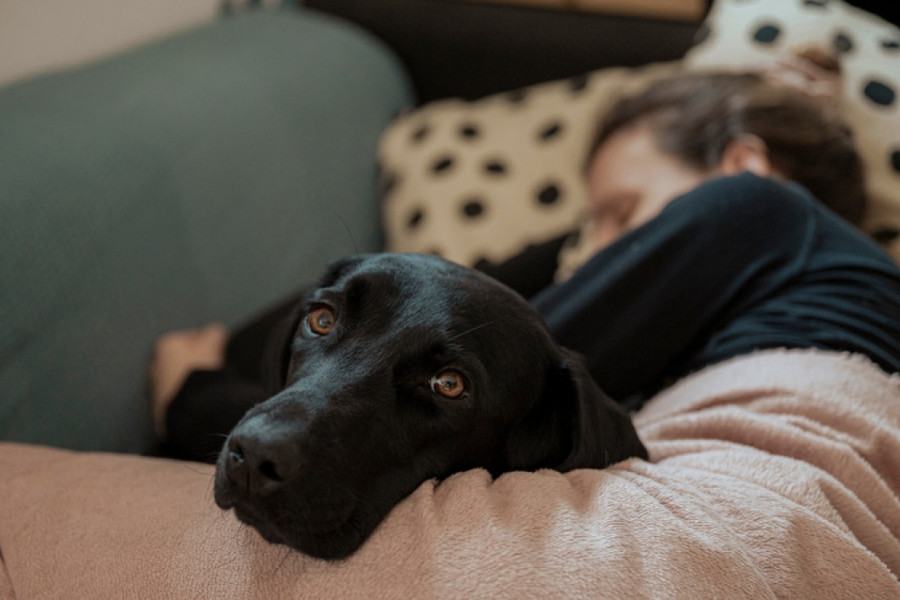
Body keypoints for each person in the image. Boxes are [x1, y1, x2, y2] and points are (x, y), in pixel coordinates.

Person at [151, 56, 900, 460]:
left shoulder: (750, 206)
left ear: (744, 165)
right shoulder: (802, 282)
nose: (596, 254)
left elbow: (490, 356)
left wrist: (196, 400)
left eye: (625, 214)